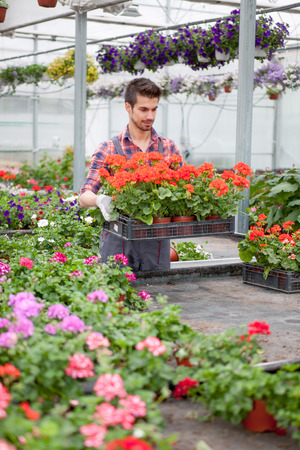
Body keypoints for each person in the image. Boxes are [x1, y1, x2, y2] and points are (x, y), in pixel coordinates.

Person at [79, 77, 182, 272]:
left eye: (154, 109)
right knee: (117, 298)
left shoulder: (168, 147)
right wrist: (100, 200)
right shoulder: (109, 147)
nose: (149, 116)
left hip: (156, 242)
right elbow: (84, 196)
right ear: (128, 107)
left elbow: (184, 189)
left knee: (159, 298)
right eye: (143, 109)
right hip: (119, 241)